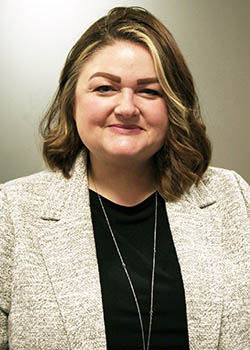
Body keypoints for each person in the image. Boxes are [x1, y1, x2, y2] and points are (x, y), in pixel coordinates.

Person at [0, 6, 249, 350]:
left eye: (149, 91)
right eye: (105, 88)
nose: (127, 107)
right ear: (72, 102)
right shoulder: (11, 212)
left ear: (174, 106)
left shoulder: (233, 199)